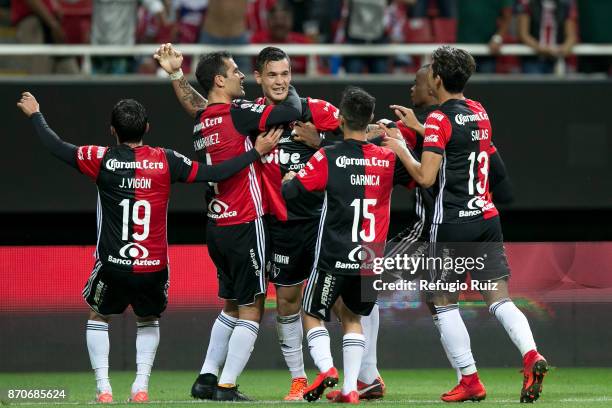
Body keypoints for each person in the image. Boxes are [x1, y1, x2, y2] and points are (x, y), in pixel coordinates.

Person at [16, 93, 281, 404]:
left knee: (98, 317)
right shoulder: (166, 160)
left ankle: (103, 389)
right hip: (153, 267)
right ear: (148, 127)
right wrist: (256, 152)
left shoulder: (99, 158)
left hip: (113, 264)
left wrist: (36, 115)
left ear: (112, 130)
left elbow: (55, 146)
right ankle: (140, 387)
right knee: (148, 321)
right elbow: (215, 173)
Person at [383, 45, 548, 403]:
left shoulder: (440, 120)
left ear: (437, 79)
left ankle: (470, 379)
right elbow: (457, 139)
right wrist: (419, 126)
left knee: (441, 301)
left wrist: (401, 147)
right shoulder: (480, 111)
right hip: (486, 218)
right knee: (499, 300)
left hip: (453, 222)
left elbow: (426, 178)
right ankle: (531, 353)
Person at [153, 44, 303, 401]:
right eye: (235, 71)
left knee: (231, 306)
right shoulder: (240, 115)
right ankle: (227, 384)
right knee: (253, 306)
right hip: (245, 220)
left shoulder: (204, 119)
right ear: (220, 80)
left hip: (216, 225)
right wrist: (287, 84)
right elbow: (292, 110)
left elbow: (195, 102)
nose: (240, 75)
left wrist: (176, 74)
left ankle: (206, 377)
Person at [282, 86, 412, 403]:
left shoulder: (328, 157)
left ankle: (327, 369)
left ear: (340, 119)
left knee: (311, 311)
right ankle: (352, 389)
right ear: (369, 119)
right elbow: (416, 177)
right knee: (352, 318)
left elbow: (292, 193)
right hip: (370, 257)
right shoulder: (386, 158)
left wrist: (290, 179)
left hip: (334, 254)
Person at [252, 46, 341, 401]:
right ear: (258, 77)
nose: (279, 81)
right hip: (281, 226)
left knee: (343, 301)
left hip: (322, 223)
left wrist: (322, 142)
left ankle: (364, 377)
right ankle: (298, 379)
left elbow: (362, 139)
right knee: (288, 302)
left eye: (285, 74)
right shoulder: (250, 115)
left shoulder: (317, 110)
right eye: (272, 75)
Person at [250, 1, 312, 74]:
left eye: (284, 18)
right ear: (267, 20)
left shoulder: (303, 43)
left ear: (291, 19)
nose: (279, 23)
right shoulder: (257, 41)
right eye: (274, 18)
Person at [517, 0, 577, 74]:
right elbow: (523, 34)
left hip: (557, 60)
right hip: (534, 60)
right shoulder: (529, 5)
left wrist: (563, 49)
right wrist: (541, 48)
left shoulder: (564, 6)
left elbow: (571, 36)